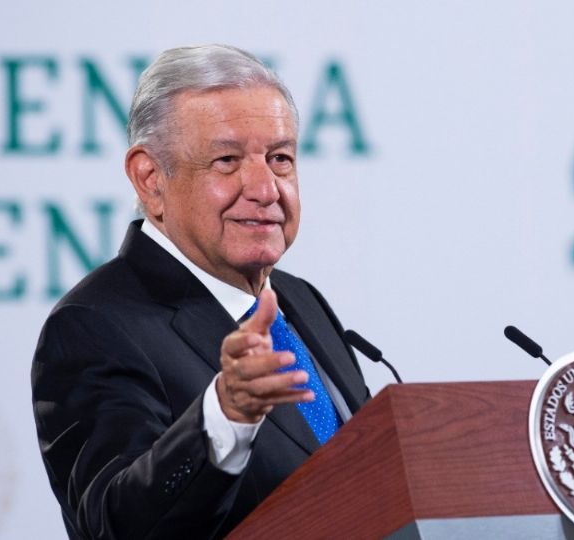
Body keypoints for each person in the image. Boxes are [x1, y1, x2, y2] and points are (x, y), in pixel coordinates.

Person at [31, 44, 371, 539]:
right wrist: (225, 417)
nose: (265, 188)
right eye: (227, 160)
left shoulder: (300, 300)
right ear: (150, 180)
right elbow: (114, 524)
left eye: (280, 158)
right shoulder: (94, 325)